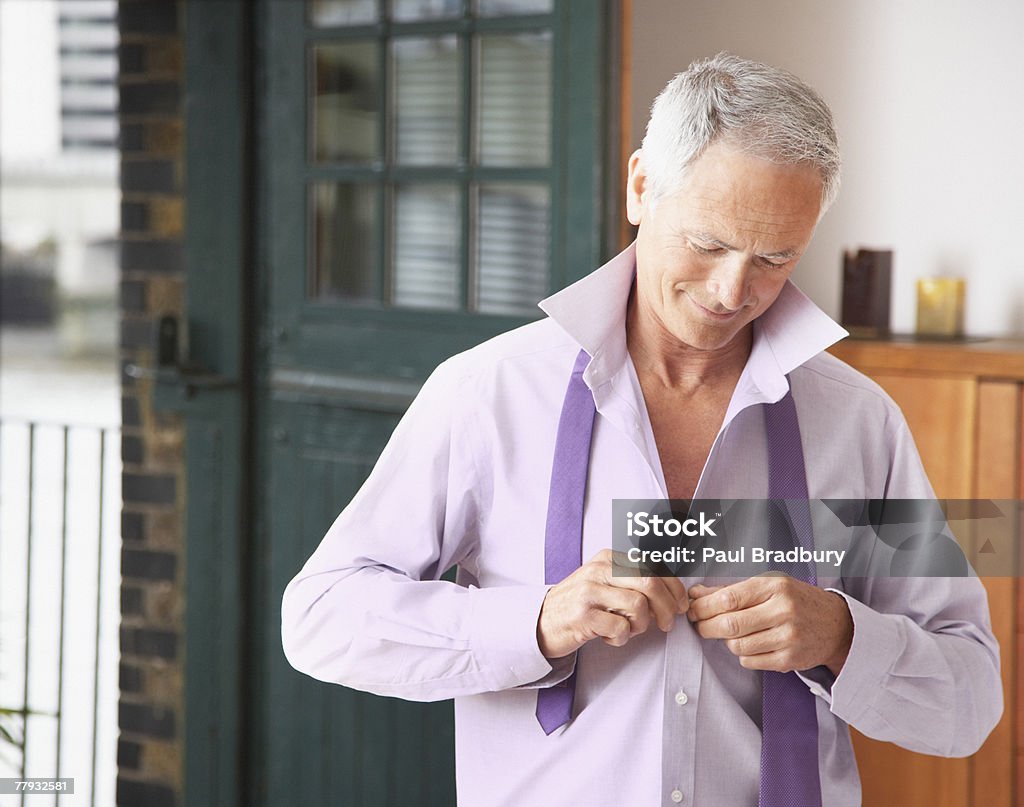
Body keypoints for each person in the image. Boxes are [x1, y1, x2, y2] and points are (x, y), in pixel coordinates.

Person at [281, 52, 1001, 806]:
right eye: (709, 242)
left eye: (775, 257)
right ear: (640, 186)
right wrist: (536, 618)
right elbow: (322, 617)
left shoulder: (858, 420)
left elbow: (970, 699)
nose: (732, 290)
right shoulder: (489, 392)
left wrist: (843, 637)